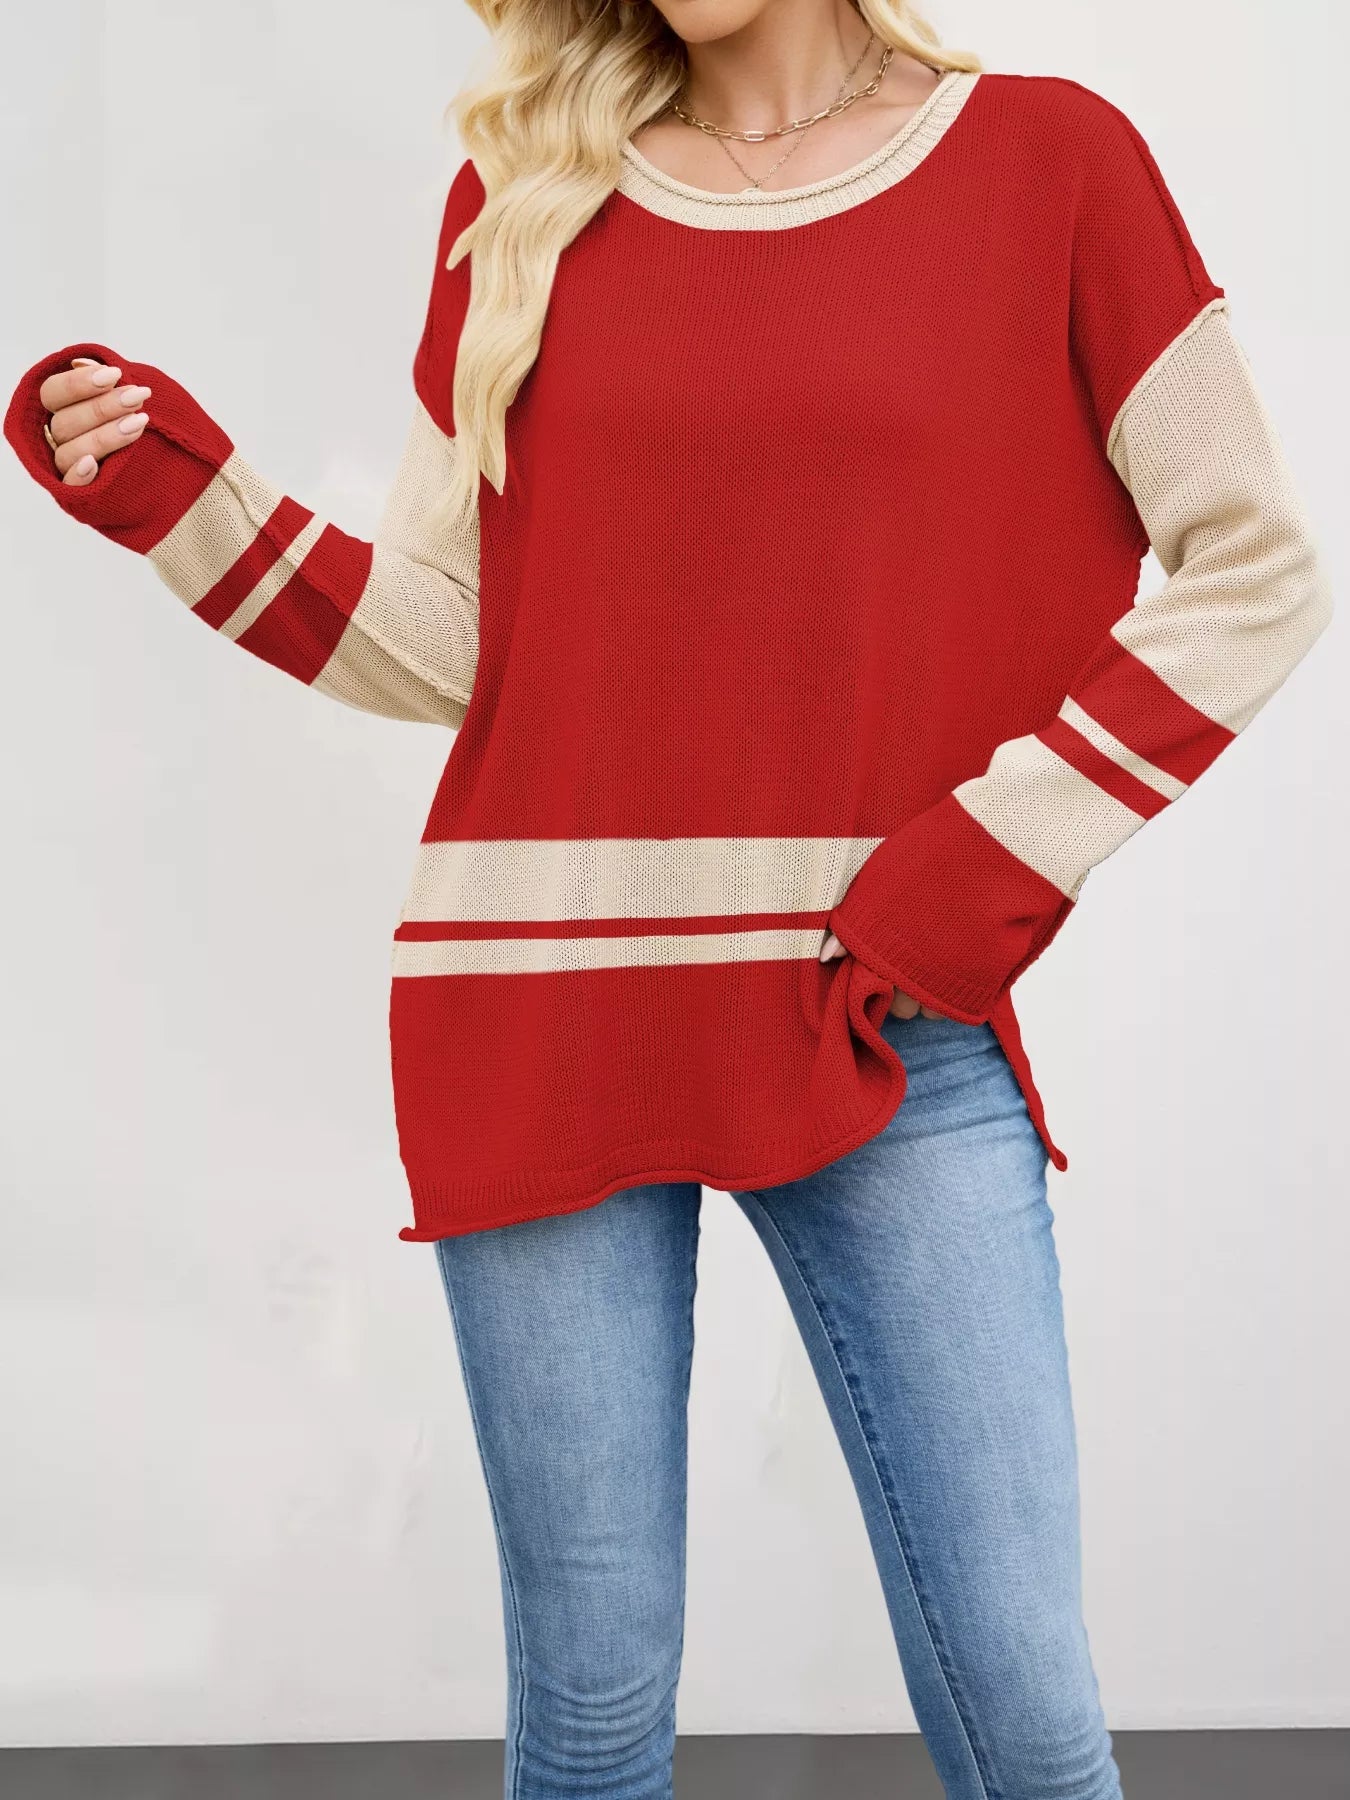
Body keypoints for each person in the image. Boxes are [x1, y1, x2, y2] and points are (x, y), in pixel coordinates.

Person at [5, 1, 1331, 1794]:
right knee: (591, 1719)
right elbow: (453, 641)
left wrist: (994, 854)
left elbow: (1253, 563)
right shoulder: (521, 198)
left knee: (1025, 1716)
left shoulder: (1049, 163)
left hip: (879, 1016)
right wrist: (189, 499)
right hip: (539, 1006)